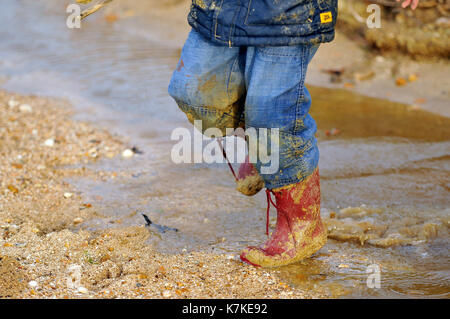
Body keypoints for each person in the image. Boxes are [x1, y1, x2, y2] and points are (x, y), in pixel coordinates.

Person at [168, 0, 420, 267]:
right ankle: (258, 145)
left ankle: (302, 227)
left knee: (272, 116)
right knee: (193, 92)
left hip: (292, 11)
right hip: (222, 6)